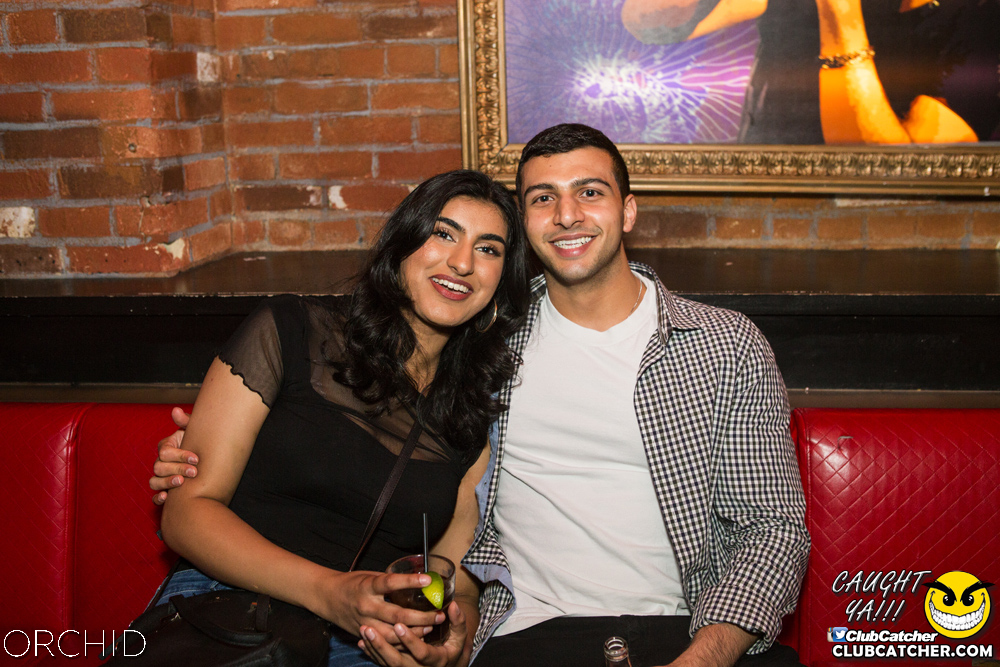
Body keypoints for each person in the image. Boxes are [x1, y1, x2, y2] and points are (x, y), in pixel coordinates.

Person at [153, 124, 810, 667]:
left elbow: (774, 530)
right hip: (513, 634)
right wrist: (195, 449)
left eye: (590, 192)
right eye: (544, 198)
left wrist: (704, 657)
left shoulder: (717, 345)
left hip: (685, 629)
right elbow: (197, 504)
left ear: (628, 211)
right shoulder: (493, 352)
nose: (568, 215)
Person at [149, 169, 530, 667]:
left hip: (371, 643)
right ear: (401, 245)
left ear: (501, 280)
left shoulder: (473, 417)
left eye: (488, 249)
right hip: (228, 608)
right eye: (442, 234)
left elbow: (458, 584)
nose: (462, 262)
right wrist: (330, 592)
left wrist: (451, 647)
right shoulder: (289, 331)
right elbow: (184, 514)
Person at [621, 0, 1000, 144]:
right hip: (763, 212)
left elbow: (891, 177)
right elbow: (647, 21)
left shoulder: (981, 23)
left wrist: (838, 11)